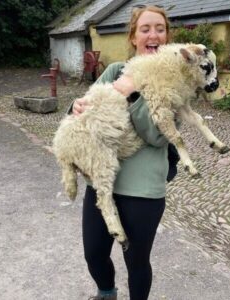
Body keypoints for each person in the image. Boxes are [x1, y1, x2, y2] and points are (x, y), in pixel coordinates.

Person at [70, 5, 178, 300]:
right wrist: (77, 108)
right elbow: (90, 109)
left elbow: (158, 136)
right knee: (93, 254)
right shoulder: (116, 71)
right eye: (145, 29)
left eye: (160, 29)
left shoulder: (174, 84)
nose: (153, 35)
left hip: (143, 192)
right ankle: (107, 294)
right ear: (134, 37)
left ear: (167, 37)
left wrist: (132, 91)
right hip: (101, 183)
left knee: (137, 262)